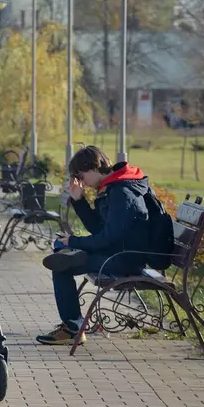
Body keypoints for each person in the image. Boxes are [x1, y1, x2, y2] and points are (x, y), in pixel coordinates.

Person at [36, 146, 152, 346]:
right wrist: (78, 200)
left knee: (61, 263)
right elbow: (99, 229)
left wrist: (74, 241)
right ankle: (73, 325)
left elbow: (107, 238)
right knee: (61, 257)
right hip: (117, 254)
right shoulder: (111, 188)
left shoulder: (121, 192)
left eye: (80, 177)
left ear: (92, 168)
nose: (82, 182)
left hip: (126, 259)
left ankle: (73, 327)